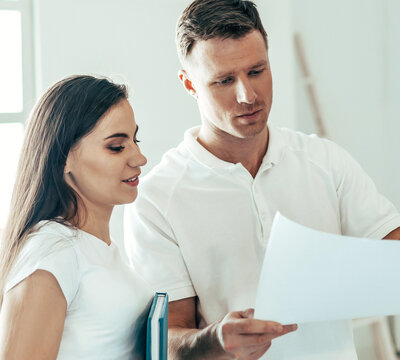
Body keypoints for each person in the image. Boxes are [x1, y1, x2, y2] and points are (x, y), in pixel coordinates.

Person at [124, 1, 400, 359]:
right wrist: (217, 340)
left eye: (257, 71)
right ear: (189, 84)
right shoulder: (156, 199)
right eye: (224, 80)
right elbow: (167, 340)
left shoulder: (325, 161)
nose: (248, 96)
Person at [0, 75, 152, 359]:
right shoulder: (51, 252)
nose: (139, 157)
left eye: (135, 139)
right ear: (64, 158)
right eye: (117, 147)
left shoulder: (96, 247)